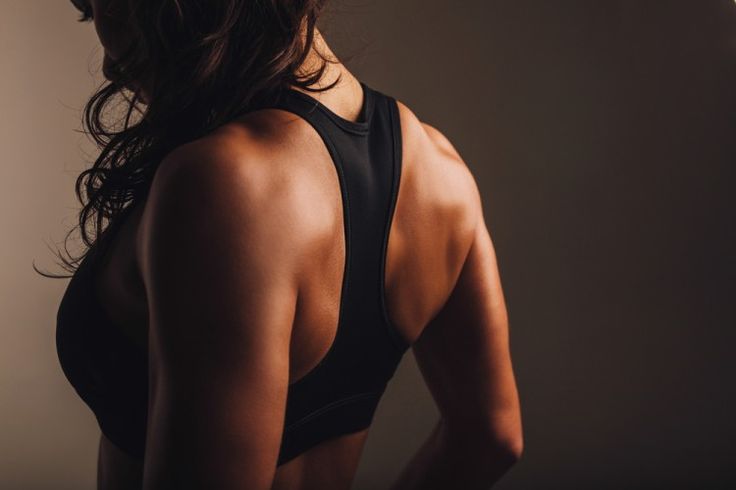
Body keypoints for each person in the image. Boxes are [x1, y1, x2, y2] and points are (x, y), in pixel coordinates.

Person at [51, 1, 523, 489]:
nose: (108, 63)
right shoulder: (440, 170)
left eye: (101, 8)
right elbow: (491, 437)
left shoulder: (225, 181)